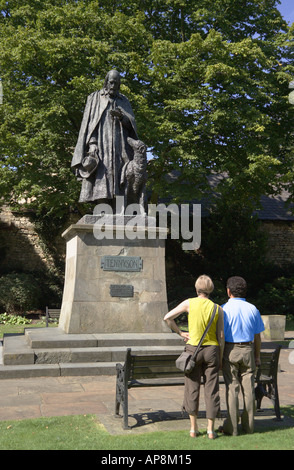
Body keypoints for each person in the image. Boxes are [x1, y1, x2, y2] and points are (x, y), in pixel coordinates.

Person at [164, 275, 224, 439]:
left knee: (192, 387)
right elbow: (221, 335)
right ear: (210, 289)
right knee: (212, 390)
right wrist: (221, 356)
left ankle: (193, 428)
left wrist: (180, 332)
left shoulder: (189, 303)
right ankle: (211, 430)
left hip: (193, 350)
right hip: (212, 350)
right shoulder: (218, 308)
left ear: (197, 288)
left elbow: (167, 317)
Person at [71, 69, 138, 205]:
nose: (113, 86)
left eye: (116, 84)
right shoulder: (95, 98)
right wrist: (92, 143)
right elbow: (89, 124)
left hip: (120, 145)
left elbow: (132, 125)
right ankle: (102, 205)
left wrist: (122, 117)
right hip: (101, 144)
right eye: (111, 83)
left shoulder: (123, 100)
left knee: (120, 173)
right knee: (102, 173)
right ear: (106, 82)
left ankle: (118, 205)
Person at [221, 276, 265, 436]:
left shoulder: (223, 309)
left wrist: (219, 357)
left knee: (232, 389)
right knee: (249, 390)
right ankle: (249, 427)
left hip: (229, 350)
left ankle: (232, 428)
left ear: (228, 291)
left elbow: (220, 336)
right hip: (248, 349)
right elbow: (258, 336)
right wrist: (257, 356)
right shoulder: (253, 309)